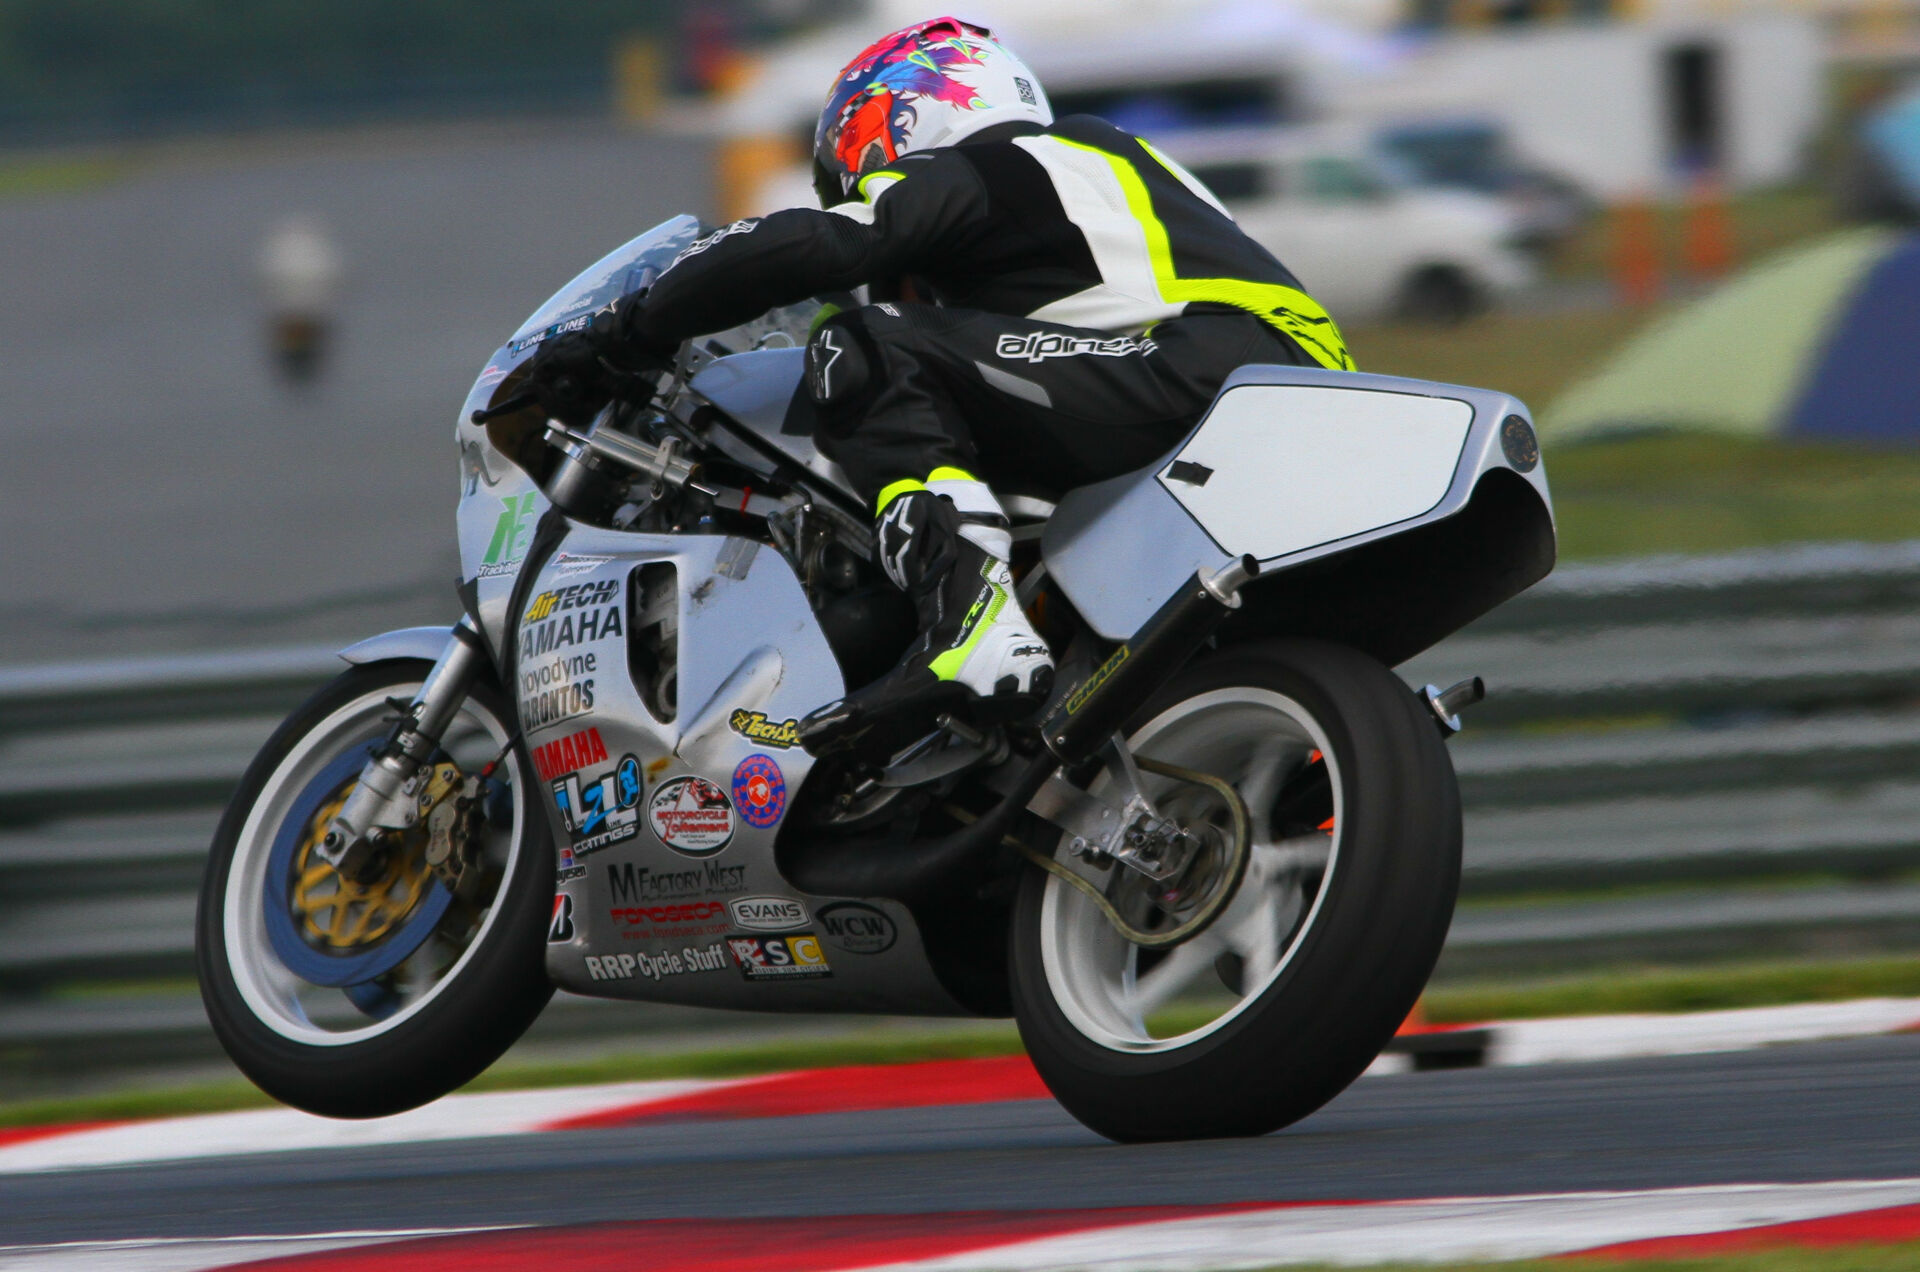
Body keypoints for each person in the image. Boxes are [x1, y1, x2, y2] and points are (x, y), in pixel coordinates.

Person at [522, 16, 1352, 757]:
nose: (848, 186)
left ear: (898, 114)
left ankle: (968, 619)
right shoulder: (1096, 187)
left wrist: (626, 328)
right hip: (1287, 396)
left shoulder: (1003, 161)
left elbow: (821, 247)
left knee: (861, 344)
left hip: (1206, 366)